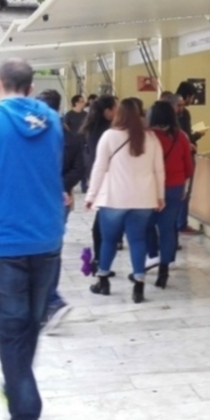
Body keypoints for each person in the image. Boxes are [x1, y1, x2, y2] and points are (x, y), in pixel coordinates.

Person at [0, 59, 64, 420]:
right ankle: (15, 386)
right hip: (48, 240)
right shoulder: (53, 123)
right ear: (29, 87)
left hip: (6, 245)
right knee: (27, 327)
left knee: (13, 334)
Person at [85, 98, 165, 303]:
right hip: (143, 199)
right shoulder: (151, 138)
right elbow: (159, 170)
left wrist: (91, 195)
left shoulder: (109, 136)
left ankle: (103, 281)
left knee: (109, 240)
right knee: (138, 240)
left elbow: (99, 168)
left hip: (114, 199)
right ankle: (138, 285)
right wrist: (160, 196)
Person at [37, 89, 85, 333]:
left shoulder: (34, 134)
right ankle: (49, 301)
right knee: (52, 248)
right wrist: (62, 186)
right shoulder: (70, 136)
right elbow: (79, 169)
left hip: (38, 198)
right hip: (61, 198)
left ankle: (49, 301)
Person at [146, 100, 193, 287]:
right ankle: (164, 269)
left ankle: (152, 255)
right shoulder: (181, 136)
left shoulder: (147, 137)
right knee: (167, 228)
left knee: (147, 224)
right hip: (174, 187)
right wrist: (184, 185)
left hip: (150, 188)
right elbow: (188, 167)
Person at [80, 94, 118, 269]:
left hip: (98, 175)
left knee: (102, 218)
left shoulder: (94, 127)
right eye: (116, 108)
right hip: (106, 177)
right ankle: (100, 260)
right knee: (102, 221)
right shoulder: (106, 131)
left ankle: (99, 258)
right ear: (107, 111)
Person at [175, 81, 206, 232]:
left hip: (173, 160)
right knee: (185, 191)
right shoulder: (184, 113)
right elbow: (186, 137)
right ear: (187, 96)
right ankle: (181, 223)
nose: (191, 101)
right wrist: (197, 135)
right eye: (192, 97)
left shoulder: (168, 112)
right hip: (185, 157)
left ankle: (176, 223)